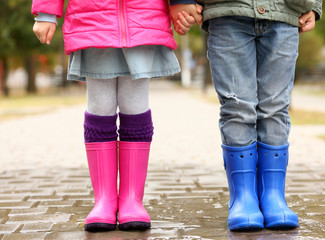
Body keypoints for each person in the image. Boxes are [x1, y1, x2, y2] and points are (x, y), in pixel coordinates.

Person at [31, 0, 202, 232]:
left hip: (143, 16)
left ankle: (132, 199)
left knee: (135, 105)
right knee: (100, 106)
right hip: (92, 17)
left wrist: (181, 2)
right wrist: (46, 13)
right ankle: (104, 200)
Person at [177, 0, 322, 231]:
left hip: (285, 12)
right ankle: (243, 198)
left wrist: (314, 5)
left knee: (275, 108)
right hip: (227, 12)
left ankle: (273, 197)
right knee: (237, 107)